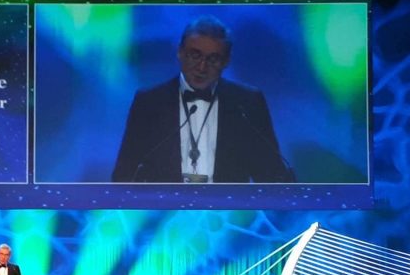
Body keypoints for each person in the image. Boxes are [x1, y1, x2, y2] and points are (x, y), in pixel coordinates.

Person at [112, 15, 295, 183]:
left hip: (229, 214)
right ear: (180, 52)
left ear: (226, 61)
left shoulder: (247, 102)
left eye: (213, 59)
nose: (202, 67)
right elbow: (124, 175)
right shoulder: (149, 102)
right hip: (165, 215)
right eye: (195, 55)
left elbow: (271, 175)